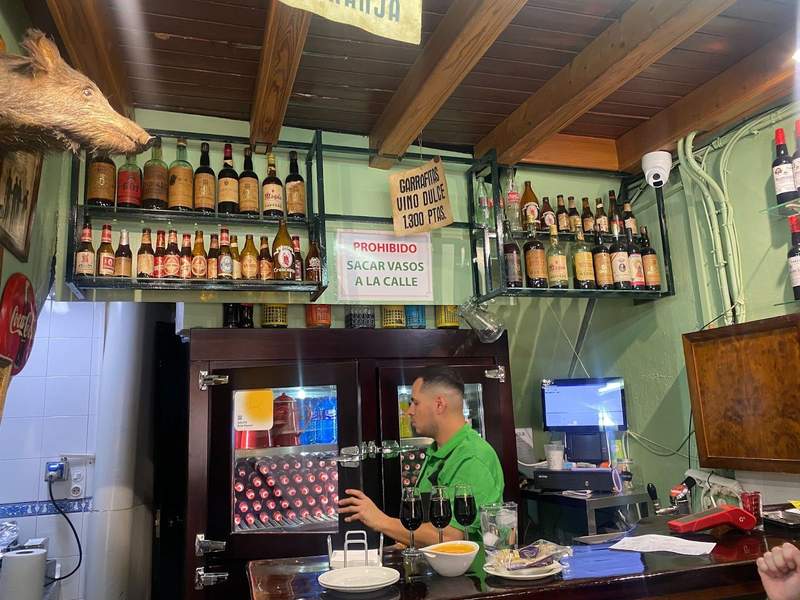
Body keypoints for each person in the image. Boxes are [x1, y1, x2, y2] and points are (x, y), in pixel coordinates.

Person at [339, 366, 504, 546]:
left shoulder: (473, 458)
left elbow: (450, 537)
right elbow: (426, 528)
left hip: (469, 572)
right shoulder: (437, 451)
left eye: (415, 403)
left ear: (439, 404)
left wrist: (381, 521)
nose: (409, 411)